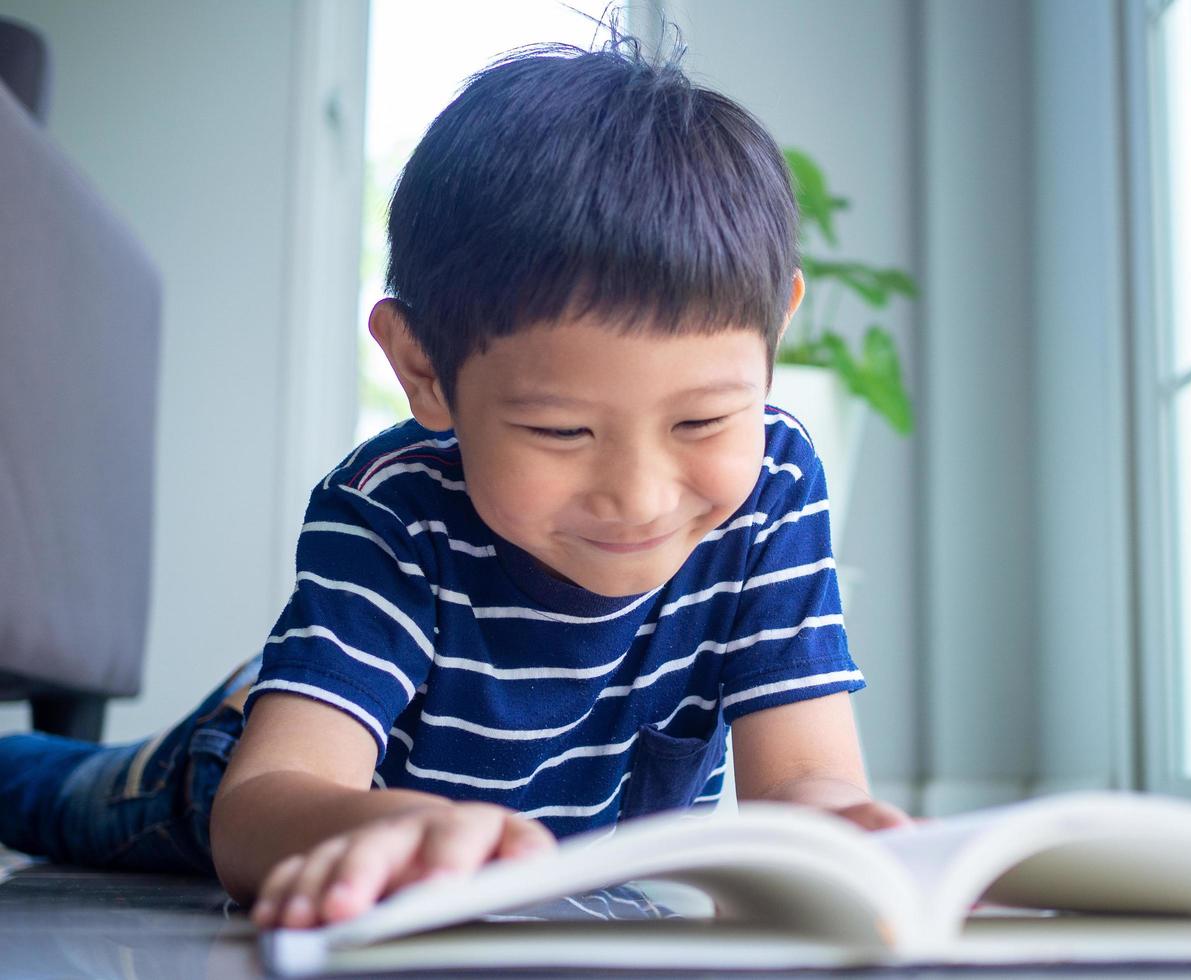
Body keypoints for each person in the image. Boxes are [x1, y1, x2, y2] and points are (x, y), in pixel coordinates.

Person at [0, 36, 910, 931]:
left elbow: (800, 781)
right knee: (61, 794)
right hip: (256, 757)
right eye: (562, 431)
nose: (639, 498)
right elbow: (267, 801)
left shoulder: (777, 484)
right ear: (425, 371)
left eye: (701, 422)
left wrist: (849, 833)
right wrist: (386, 826)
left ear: (774, 339)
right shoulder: (393, 507)